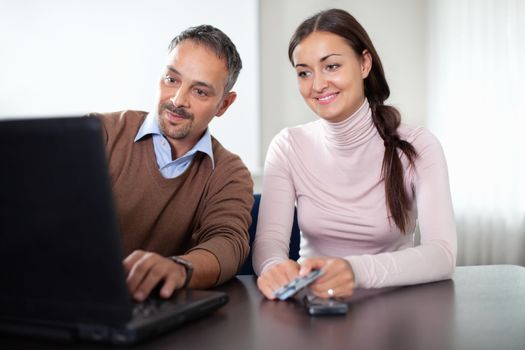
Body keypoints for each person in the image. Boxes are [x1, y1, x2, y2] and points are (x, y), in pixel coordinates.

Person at [253, 9, 457, 300]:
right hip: (315, 309)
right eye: (304, 72)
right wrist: (275, 268)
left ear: (364, 64)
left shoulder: (418, 145)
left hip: (396, 313)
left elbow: (443, 254)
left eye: (331, 66)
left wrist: (354, 271)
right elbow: (270, 243)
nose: (318, 84)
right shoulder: (287, 146)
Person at [90, 25, 253, 302]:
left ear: (224, 104)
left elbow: (228, 243)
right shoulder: (99, 133)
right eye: (171, 79)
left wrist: (179, 268)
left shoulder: (230, 173)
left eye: (199, 92)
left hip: (154, 309)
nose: (177, 100)